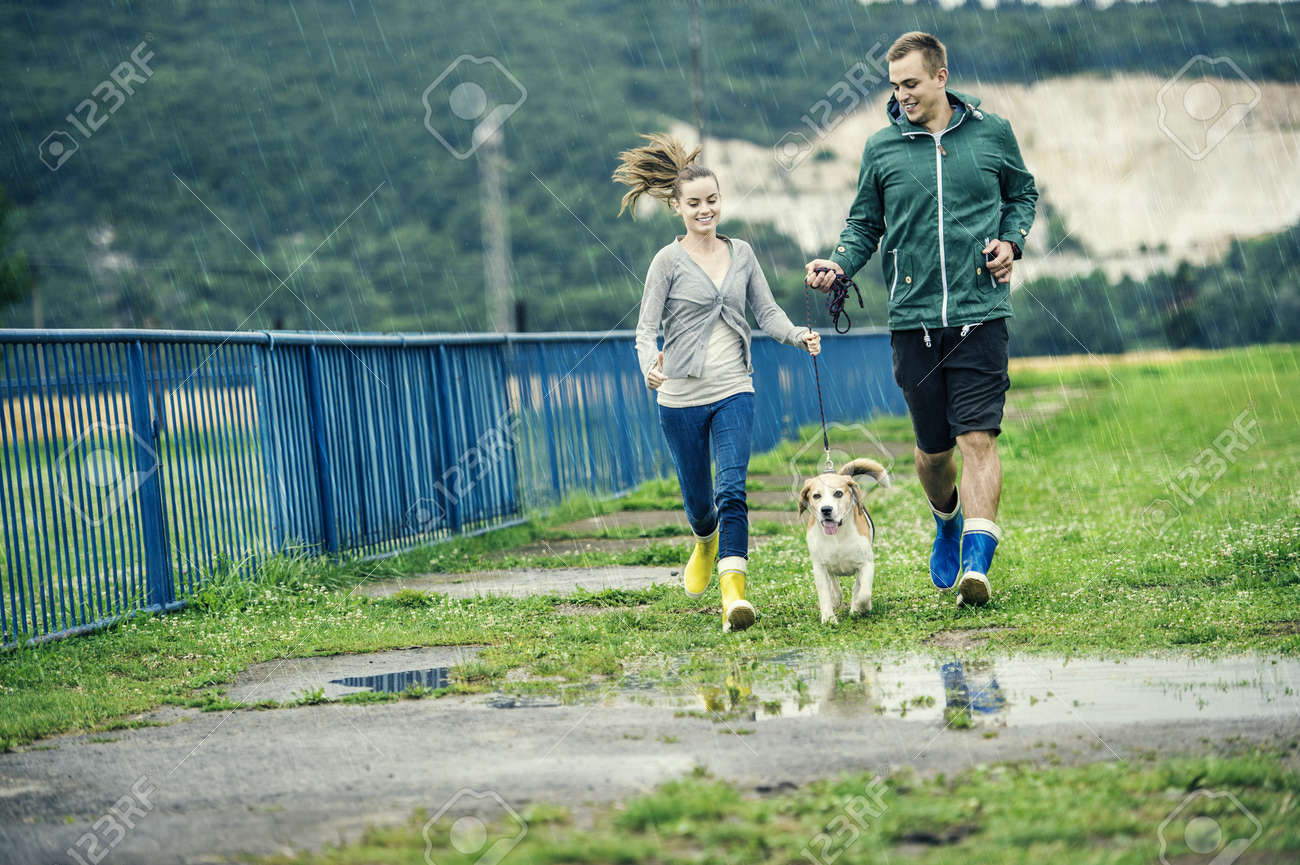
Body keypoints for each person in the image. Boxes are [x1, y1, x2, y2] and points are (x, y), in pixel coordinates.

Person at [806, 32, 1038, 607]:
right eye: (894, 86)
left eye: (911, 83)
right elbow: (864, 224)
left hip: (980, 311)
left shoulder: (993, 133)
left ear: (941, 76)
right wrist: (839, 265)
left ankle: (977, 568)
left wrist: (1011, 241)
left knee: (978, 438)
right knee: (934, 453)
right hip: (912, 321)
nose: (902, 95)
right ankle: (947, 521)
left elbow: (1023, 194)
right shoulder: (883, 148)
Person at [614, 133, 821, 633]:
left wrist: (797, 335)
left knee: (733, 491)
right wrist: (650, 365)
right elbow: (644, 330)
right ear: (678, 207)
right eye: (694, 203)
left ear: (720, 202)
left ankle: (734, 598)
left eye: (712, 200)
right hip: (679, 397)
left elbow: (766, 312)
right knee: (701, 501)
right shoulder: (666, 262)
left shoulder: (743, 253)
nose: (704, 210)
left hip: (734, 388)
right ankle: (704, 540)